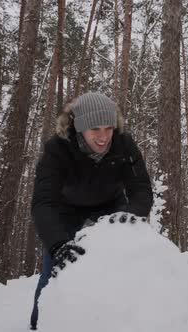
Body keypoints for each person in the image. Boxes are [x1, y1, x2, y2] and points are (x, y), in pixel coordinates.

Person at [29, 92, 153, 330]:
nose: (104, 136)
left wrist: (129, 215)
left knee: (119, 271)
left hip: (110, 208)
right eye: (95, 129)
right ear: (79, 127)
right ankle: (39, 324)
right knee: (53, 271)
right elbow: (43, 202)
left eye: (109, 128)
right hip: (66, 210)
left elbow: (141, 188)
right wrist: (57, 244)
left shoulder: (123, 143)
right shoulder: (57, 149)